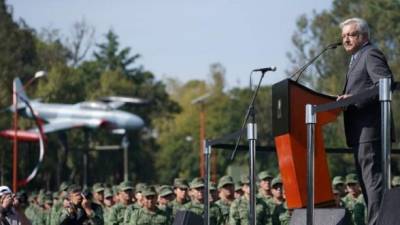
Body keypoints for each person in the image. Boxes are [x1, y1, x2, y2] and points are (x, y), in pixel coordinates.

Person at [337, 17, 394, 225]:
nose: (346, 40)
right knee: (367, 183)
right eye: (343, 36)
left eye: (350, 35)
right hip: (359, 132)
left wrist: (353, 99)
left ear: (364, 36)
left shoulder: (370, 53)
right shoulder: (356, 59)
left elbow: (384, 84)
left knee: (373, 183)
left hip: (370, 129)